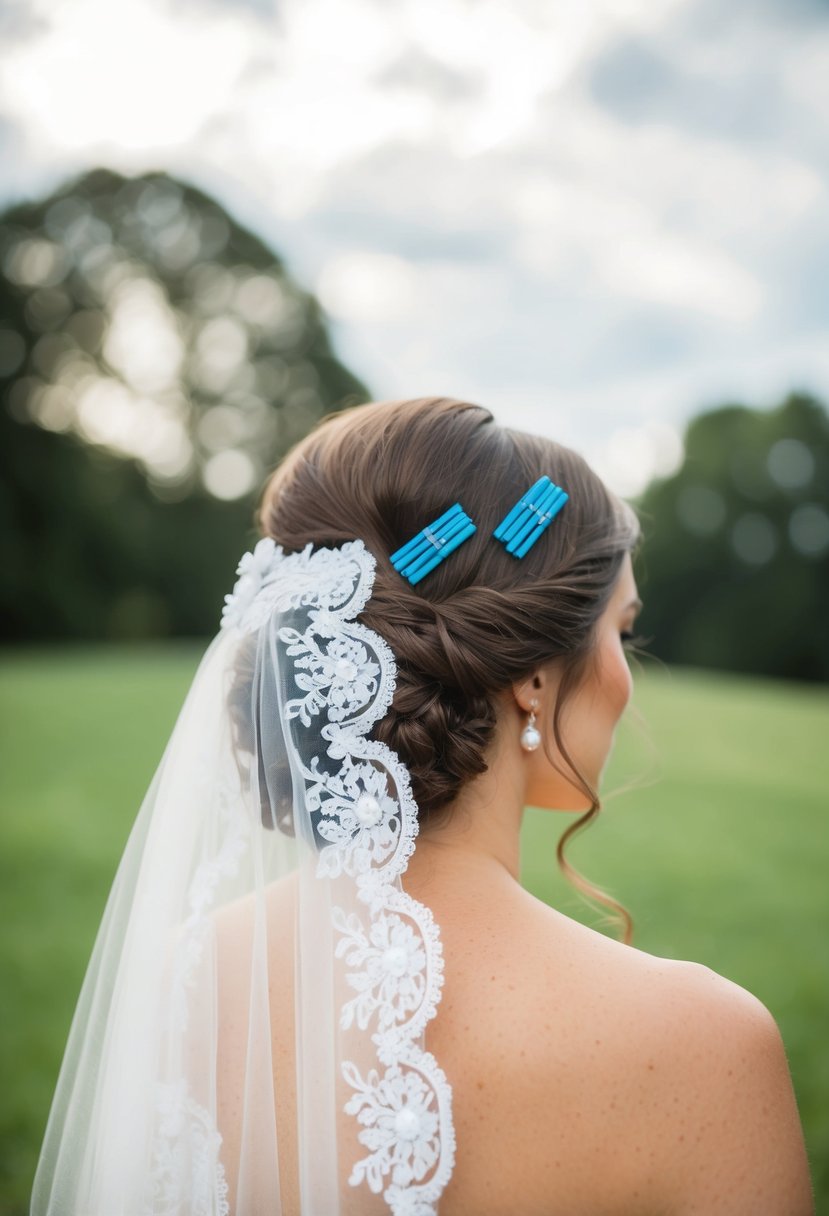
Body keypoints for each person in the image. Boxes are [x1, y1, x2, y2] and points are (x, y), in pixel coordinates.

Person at [31, 396, 813, 1216]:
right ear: (535, 680)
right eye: (620, 628)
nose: (626, 673)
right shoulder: (704, 1050)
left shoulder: (175, 981)